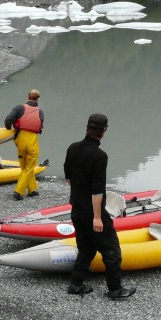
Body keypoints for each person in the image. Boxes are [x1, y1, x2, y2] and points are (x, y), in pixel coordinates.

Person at [63, 113, 136, 299]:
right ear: (104, 131)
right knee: (111, 250)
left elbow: (69, 178)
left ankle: (75, 284)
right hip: (91, 212)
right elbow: (97, 190)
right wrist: (97, 216)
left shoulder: (72, 148)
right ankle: (115, 289)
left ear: (87, 127)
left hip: (76, 210)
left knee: (86, 248)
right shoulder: (99, 155)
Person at [4, 89, 44, 200]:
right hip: (32, 139)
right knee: (30, 166)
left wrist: (9, 129)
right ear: (37, 99)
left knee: (24, 165)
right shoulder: (40, 111)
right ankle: (18, 192)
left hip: (20, 138)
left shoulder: (19, 108)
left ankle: (33, 190)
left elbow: (8, 120)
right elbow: (40, 127)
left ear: (28, 96)